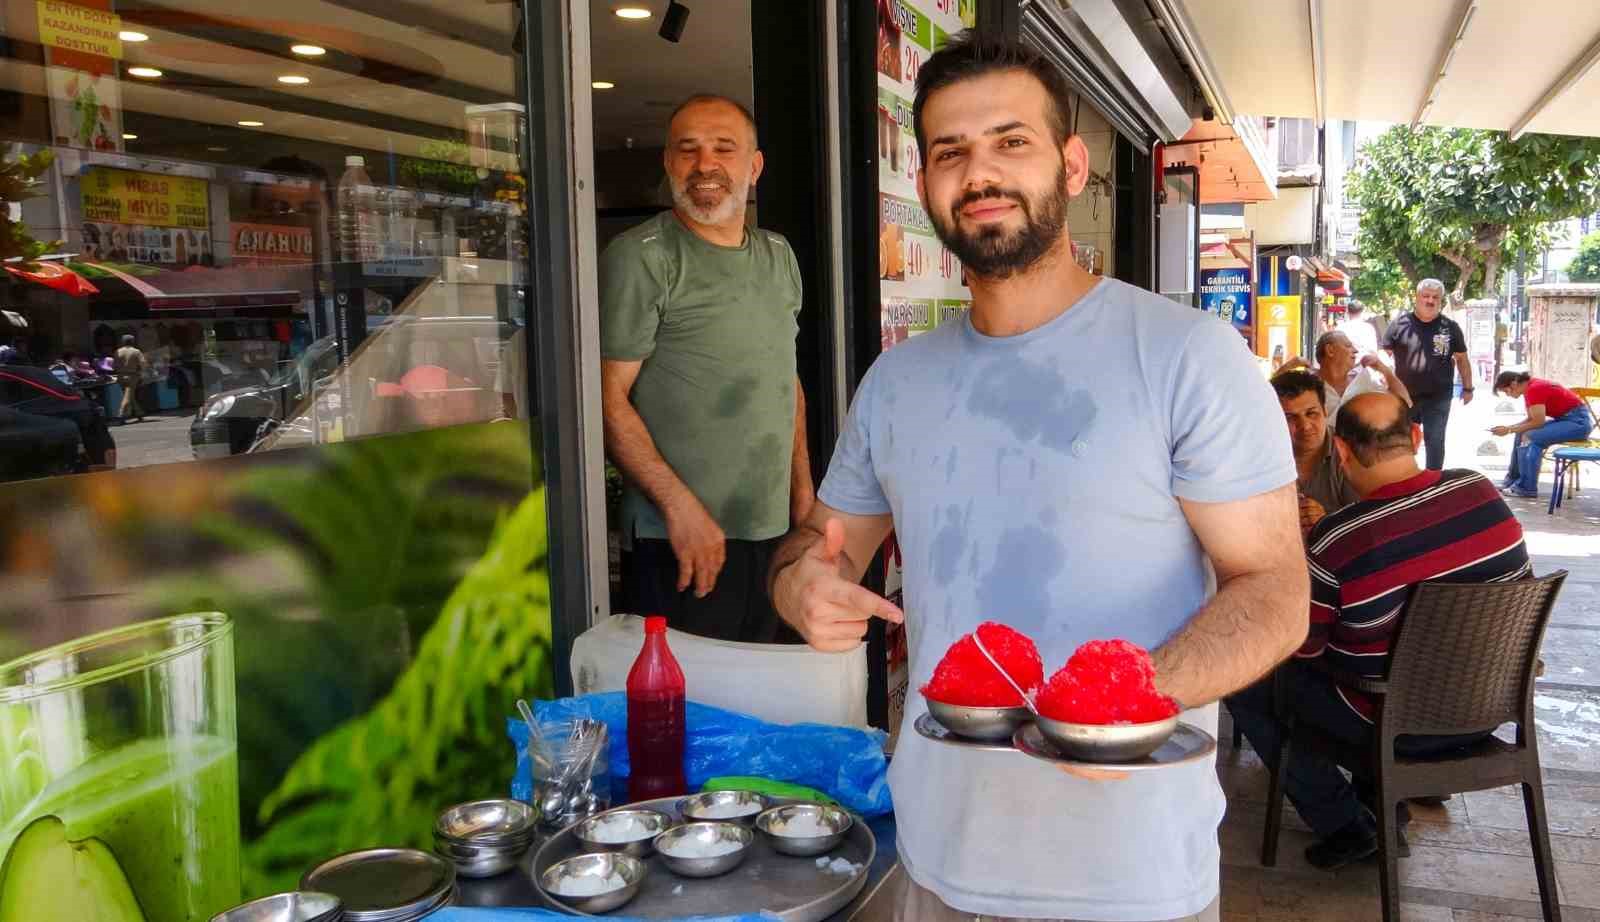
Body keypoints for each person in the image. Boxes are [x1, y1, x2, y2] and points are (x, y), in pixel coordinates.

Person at [768, 32, 1307, 922]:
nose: (980, 174)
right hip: (939, 856)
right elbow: (821, 547)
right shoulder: (895, 382)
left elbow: (1276, 590)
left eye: (1010, 142)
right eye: (951, 152)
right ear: (927, 180)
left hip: (1129, 877)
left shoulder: (1188, 358)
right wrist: (802, 587)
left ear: (1072, 163)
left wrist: (1117, 701)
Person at [1226, 392, 1531, 870]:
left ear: (1342, 451)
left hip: (1392, 724)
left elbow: (1304, 649)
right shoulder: (1482, 495)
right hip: (1491, 707)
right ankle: (1385, 807)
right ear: (1414, 436)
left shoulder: (1341, 538)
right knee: (1376, 661)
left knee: (1248, 681)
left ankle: (1348, 825)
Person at [599, 93, 813, 644]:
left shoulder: (778, 256)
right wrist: (681, 508)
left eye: (724, 148)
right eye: (687, 150)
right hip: (679, 540)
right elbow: (605, 399)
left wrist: (804, 498)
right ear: (668, 163)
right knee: (688, 714)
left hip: (770, 535)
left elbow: (782, 379)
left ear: (754, 166)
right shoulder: (643, 256)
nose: (705, 165)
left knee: (762, 706)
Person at [1381, 278, 1473, 469]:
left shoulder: (1450, 327)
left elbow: (1462, 359)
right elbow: (1384, 357)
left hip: (1438, 398)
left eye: (1435, 297)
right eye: (1426, 296)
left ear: (1441, 300)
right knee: (1402, 443)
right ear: (1417, 297)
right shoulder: (1399, 324)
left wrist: (1468, 387)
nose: (1430, 301)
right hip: (1404, 398)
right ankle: (1405, 479)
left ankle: (1433, 484)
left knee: (1435, 443)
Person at [1271, 370, 1360, 536]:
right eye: (1290, 417)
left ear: (1325, 412)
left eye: (1311, 413)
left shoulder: (1352, 452)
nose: (1305, 425)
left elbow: (1369, 523)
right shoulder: (1262, 456)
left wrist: (1327, 522)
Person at [1492, 370, 1595, 499]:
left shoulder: (1534, 389)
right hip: (1566, 420)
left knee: (1529, 437)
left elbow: (1538, 422)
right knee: (1521, 433)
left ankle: (1526, 487)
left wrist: (1508, 430)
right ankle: (1513, 479)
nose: (1507, 395)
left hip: (1578, 423)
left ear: (1513, 384)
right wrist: (1509, 428)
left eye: (1506, 391)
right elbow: (1531, 419)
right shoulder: (1529, 388)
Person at [1312, 329, 1411, 421]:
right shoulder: (1308, 384)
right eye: (1348, 345)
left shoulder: (1364, 381)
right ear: (1330, 350)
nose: (1355, 350)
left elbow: (1405, 402)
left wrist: (1384, 369)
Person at [115, 334, 147, 423]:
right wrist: (140, 371)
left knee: (129, 395)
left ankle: (139, 413)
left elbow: (114, 365)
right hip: (132, 376)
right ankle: (121, 415)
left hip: (120, 376)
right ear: (133, 341)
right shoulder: (136, 351)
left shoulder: (118, 351)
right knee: (128, 396)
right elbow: (143, 364)